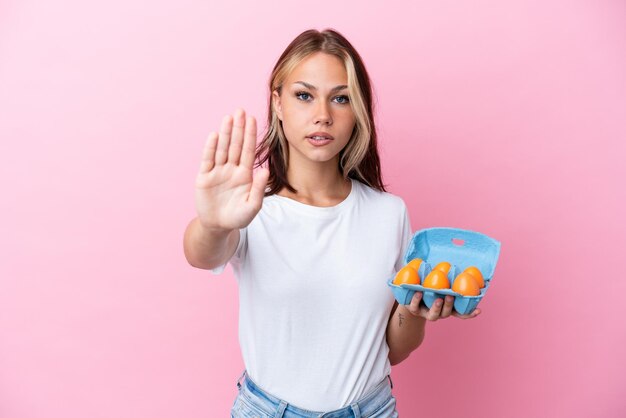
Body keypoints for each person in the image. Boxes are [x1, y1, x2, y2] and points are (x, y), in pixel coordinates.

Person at [183, 28, 480, 418]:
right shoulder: (251, 206)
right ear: (277, 102)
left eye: (340, 98)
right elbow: (201, 254)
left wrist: (416, 310)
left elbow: (392, 350)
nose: (322, 115)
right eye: (304, 95)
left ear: (357, 109)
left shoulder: (389, 213)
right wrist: (215, 224)